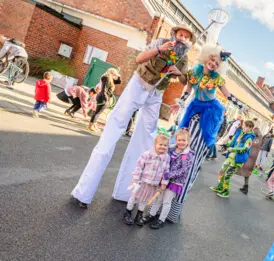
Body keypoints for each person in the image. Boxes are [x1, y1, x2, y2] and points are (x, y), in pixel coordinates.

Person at [71, 23, 195, 209]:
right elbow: (139, 58)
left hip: (156, 92)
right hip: (139, 84)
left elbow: (187, 81)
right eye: (180, 34)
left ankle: (126, 194)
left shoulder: (183, 58)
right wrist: (159, 49)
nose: (182, 38)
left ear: (189, 41)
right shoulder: (161, 42)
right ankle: (84, 192)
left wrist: (180, 74)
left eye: (186, 36)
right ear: (174, 34)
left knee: (146, 140)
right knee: (114, 129)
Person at [166, 44, 245, 218]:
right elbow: (188, 89)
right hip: (194, 108)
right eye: (212, 60)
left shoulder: (217, 79)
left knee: (194, 154)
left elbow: (227, 95)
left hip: (209, 112)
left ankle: (175, 210)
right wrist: (182, 100)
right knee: (180, 145)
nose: (213, 64)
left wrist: (241, 106)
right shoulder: (195, 71)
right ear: (207, 58)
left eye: (217, 63)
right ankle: (166, 204)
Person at [143, 129, 194, 229]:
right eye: (179, 140)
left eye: (184, 140)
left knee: (166, 201)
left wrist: (168, 175)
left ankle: (161, 220)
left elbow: (183, 170)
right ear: (176, 140)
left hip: (175, 182)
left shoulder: (189, 155)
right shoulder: (171, 149)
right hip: (163, 179)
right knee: (158, 198)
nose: (181, 142)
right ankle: (152, 215)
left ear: (188, 141)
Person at [123, 134, 170, 226]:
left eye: (165, 145)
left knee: (144, 200)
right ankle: (128, 212)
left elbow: (166, 172)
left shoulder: (166, 158)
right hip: (142, 182)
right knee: (134, 197)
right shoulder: (147, 154)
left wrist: (164, 183)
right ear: (155, 144)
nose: (163, 147)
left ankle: (139, 215)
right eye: (161, 144)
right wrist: (135, 179)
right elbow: (139, 167)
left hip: (153, 184)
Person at [210, 120, 255, 198]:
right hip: (230, 157)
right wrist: (224, 143)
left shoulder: (249, 138)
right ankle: (220, 187)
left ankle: (226, 191)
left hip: (237, 160)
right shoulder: (241, 134)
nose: (244, 127)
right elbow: (233, 143)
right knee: (221, 172)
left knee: (227, 176)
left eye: (246, 126)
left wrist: (233, 149)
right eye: (244, 125)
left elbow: (245, 149)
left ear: (251, 128)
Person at [237, 127, 263, 194]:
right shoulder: (260, 138)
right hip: (253, 158)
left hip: (250, 157)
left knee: (244, 171)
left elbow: (251, 147)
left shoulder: (254, 138)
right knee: (247, 173)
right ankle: (245, 187)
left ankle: (245, 188)